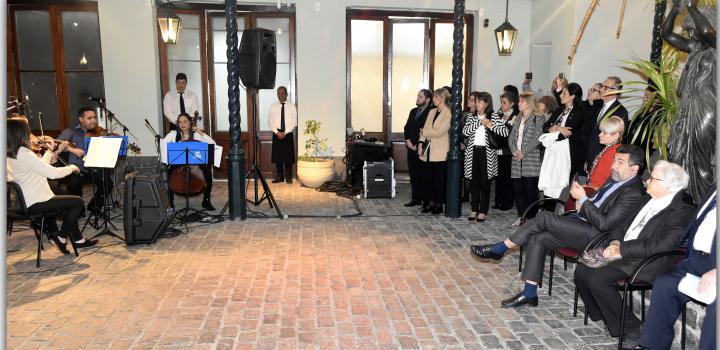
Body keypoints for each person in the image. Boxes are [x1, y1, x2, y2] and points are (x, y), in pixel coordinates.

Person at [470, 145, 646, 308]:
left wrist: (583, 200)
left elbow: (605, 223)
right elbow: (599, 203)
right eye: (614, 159)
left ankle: (500, 249)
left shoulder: (633, 191)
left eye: (620, 162)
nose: (614, 165)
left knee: (544, 217)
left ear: (634, 168)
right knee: (539, 238)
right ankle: (529, 294)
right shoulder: (616, 178)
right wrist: (586, 199)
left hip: (597, 238)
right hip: (582, 223)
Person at [574, 161, 695, 343]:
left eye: (652, 178)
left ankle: (632, 327)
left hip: (646, 260)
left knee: (596, 279)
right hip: (622, 251)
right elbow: (621, 225)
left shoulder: (681, 211)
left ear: (668, 185)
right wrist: (615, 242)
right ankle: (605, 316)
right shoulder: (646, 198)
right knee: (581, 271)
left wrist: (621, 249)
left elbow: (661, 245)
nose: (646, 181)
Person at [630, 186, 716, 350]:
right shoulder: (713, 189)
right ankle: (653, 345)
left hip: (714, 264)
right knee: (665, 283)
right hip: (696, 258)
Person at [7, 119, 98, 253]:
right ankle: (61, 237)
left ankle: (75, 239)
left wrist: (50, 151)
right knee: (77, 203)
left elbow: (40, 167)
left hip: (24, 202)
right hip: (36, 202)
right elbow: (52, 174)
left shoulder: (11, 153)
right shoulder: (24, 154)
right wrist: (71, 168)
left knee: (69, 201)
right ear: (20, 134)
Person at [663, 0, 716, 202]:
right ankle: (681, 201)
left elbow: (706, 30)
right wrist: (677, 9)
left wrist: (691, 5)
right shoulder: (695, 48)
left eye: (691, 29)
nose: (689, 33)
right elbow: (666, 35)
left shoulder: (715, 46)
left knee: (699, 158)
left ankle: (699, 204)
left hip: (706, 108)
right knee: (677, 152)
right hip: (687, 107)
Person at [57, 107, 114, 214]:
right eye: (89, 118)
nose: (93, 120)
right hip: (77, 169)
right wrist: (72, 149)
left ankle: (95, 205)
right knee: (74, 182)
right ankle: (78, 208)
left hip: (94, 167)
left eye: (94, 118)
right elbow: (56, 142)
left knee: (107, 182)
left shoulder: (99, 132)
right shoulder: (71, 132)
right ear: (81, 119)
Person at [508, 92, 547, 226]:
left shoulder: (538, 117)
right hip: (517, 159)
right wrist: (514, 151)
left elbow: (538, 138)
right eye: (519, 101)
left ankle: (530, 220)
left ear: (529, 103)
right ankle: (521, 216)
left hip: (531, 159)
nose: (518, 103)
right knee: (518, 191)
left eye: (521, 101)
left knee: (530, 192)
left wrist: (523, 152)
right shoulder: (518, 118)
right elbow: (511, 137)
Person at [163, 113, 216, 211]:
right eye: (180, 122)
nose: (182, 124)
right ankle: (170, 203)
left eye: (185, 121)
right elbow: (163, 144)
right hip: (179, 163)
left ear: (190, 123)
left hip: (195, 162)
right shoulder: (173, 134)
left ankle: (206, 200)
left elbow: (212, 144)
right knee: (170, 171)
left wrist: (202, 133)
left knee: (207, 173)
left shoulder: (196, 134)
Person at [462, 91, 499, 222]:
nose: (477, 104)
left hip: (487, 153)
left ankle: (483, 211)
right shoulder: (471, 117)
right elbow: (465, 132)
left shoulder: (494, 116)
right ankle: (474, 210)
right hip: (473, 152)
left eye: (479, 102)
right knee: (474, 183)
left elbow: (504, 132)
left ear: (486, 103)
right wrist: (479, 122)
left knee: (485, 184)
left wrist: (490, 124)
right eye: (476, 102)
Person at [544, 82, 588, 182]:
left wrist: (554, 129)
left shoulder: (579, 111)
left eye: (564, 93)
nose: (560, 95)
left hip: (568, 154)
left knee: (563, 185)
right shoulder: (559, 110)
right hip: (554, 152)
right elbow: (545, 127)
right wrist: (558, 128)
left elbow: (568, 132)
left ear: (572, 96)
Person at [418, 88, 451, 215]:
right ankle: (429, 202)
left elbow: (439, 132)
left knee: (438, 180)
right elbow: (425, 128)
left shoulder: (448, 113)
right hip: (428, 149)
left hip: (440, 150)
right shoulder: (431, 111)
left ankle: (439, 204)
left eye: (436, 97)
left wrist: (424, 132)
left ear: (442, 98)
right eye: (434, 97)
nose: (433, 99)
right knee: (427, 178)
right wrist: (421, 142)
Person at [585, 76, 629, 170]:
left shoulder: (620, 111)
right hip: (591, 156)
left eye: (605, 87)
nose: (601, 89)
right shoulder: (599, 106)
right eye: (602, 86)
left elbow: (615, 140)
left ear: (615, 91)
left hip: (604, 159)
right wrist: (588, 159)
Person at [403, 89, 432, 207]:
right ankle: (415, 198)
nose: (417, 98)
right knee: (413, 174)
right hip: (411, 147)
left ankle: (426, 200)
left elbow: (428, 130)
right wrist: (408, 141)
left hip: (423, 147)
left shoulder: (431, 112)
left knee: (424, 174)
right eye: (417, 96)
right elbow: (407, 127)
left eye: (420, 97)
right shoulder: (413, 111)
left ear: (427, 100)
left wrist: (419, 143)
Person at [491, 92, 519, 211]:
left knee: (507, 177)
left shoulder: (516, 115)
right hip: (498, 149)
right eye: (501, 102)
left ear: (512, 103)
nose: (502, 105)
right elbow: (495, 130)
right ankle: (498, 201)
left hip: (508, 150)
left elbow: (512, 133)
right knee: (499, 177)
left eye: (504, 102)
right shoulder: (499, 114)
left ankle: (507, 202)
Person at [268, 86, 297, 184]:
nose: (280, 95)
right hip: (277, 133)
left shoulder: (292, 106)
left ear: (286, 94)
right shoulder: (273, 106)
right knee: (278, 156)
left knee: (288, 156)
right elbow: (270, 121)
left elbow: (294, 122)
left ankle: (288, 177)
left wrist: (286, 132)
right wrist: (276, 132)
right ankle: (280, 177)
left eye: (282, 93)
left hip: (288, 133)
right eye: (279, 93)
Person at [587, 116, 625, 189]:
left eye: (604, 133)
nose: (599, 135)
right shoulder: (610, 148)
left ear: (615, 135)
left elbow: (604, 182)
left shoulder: (614, 153)